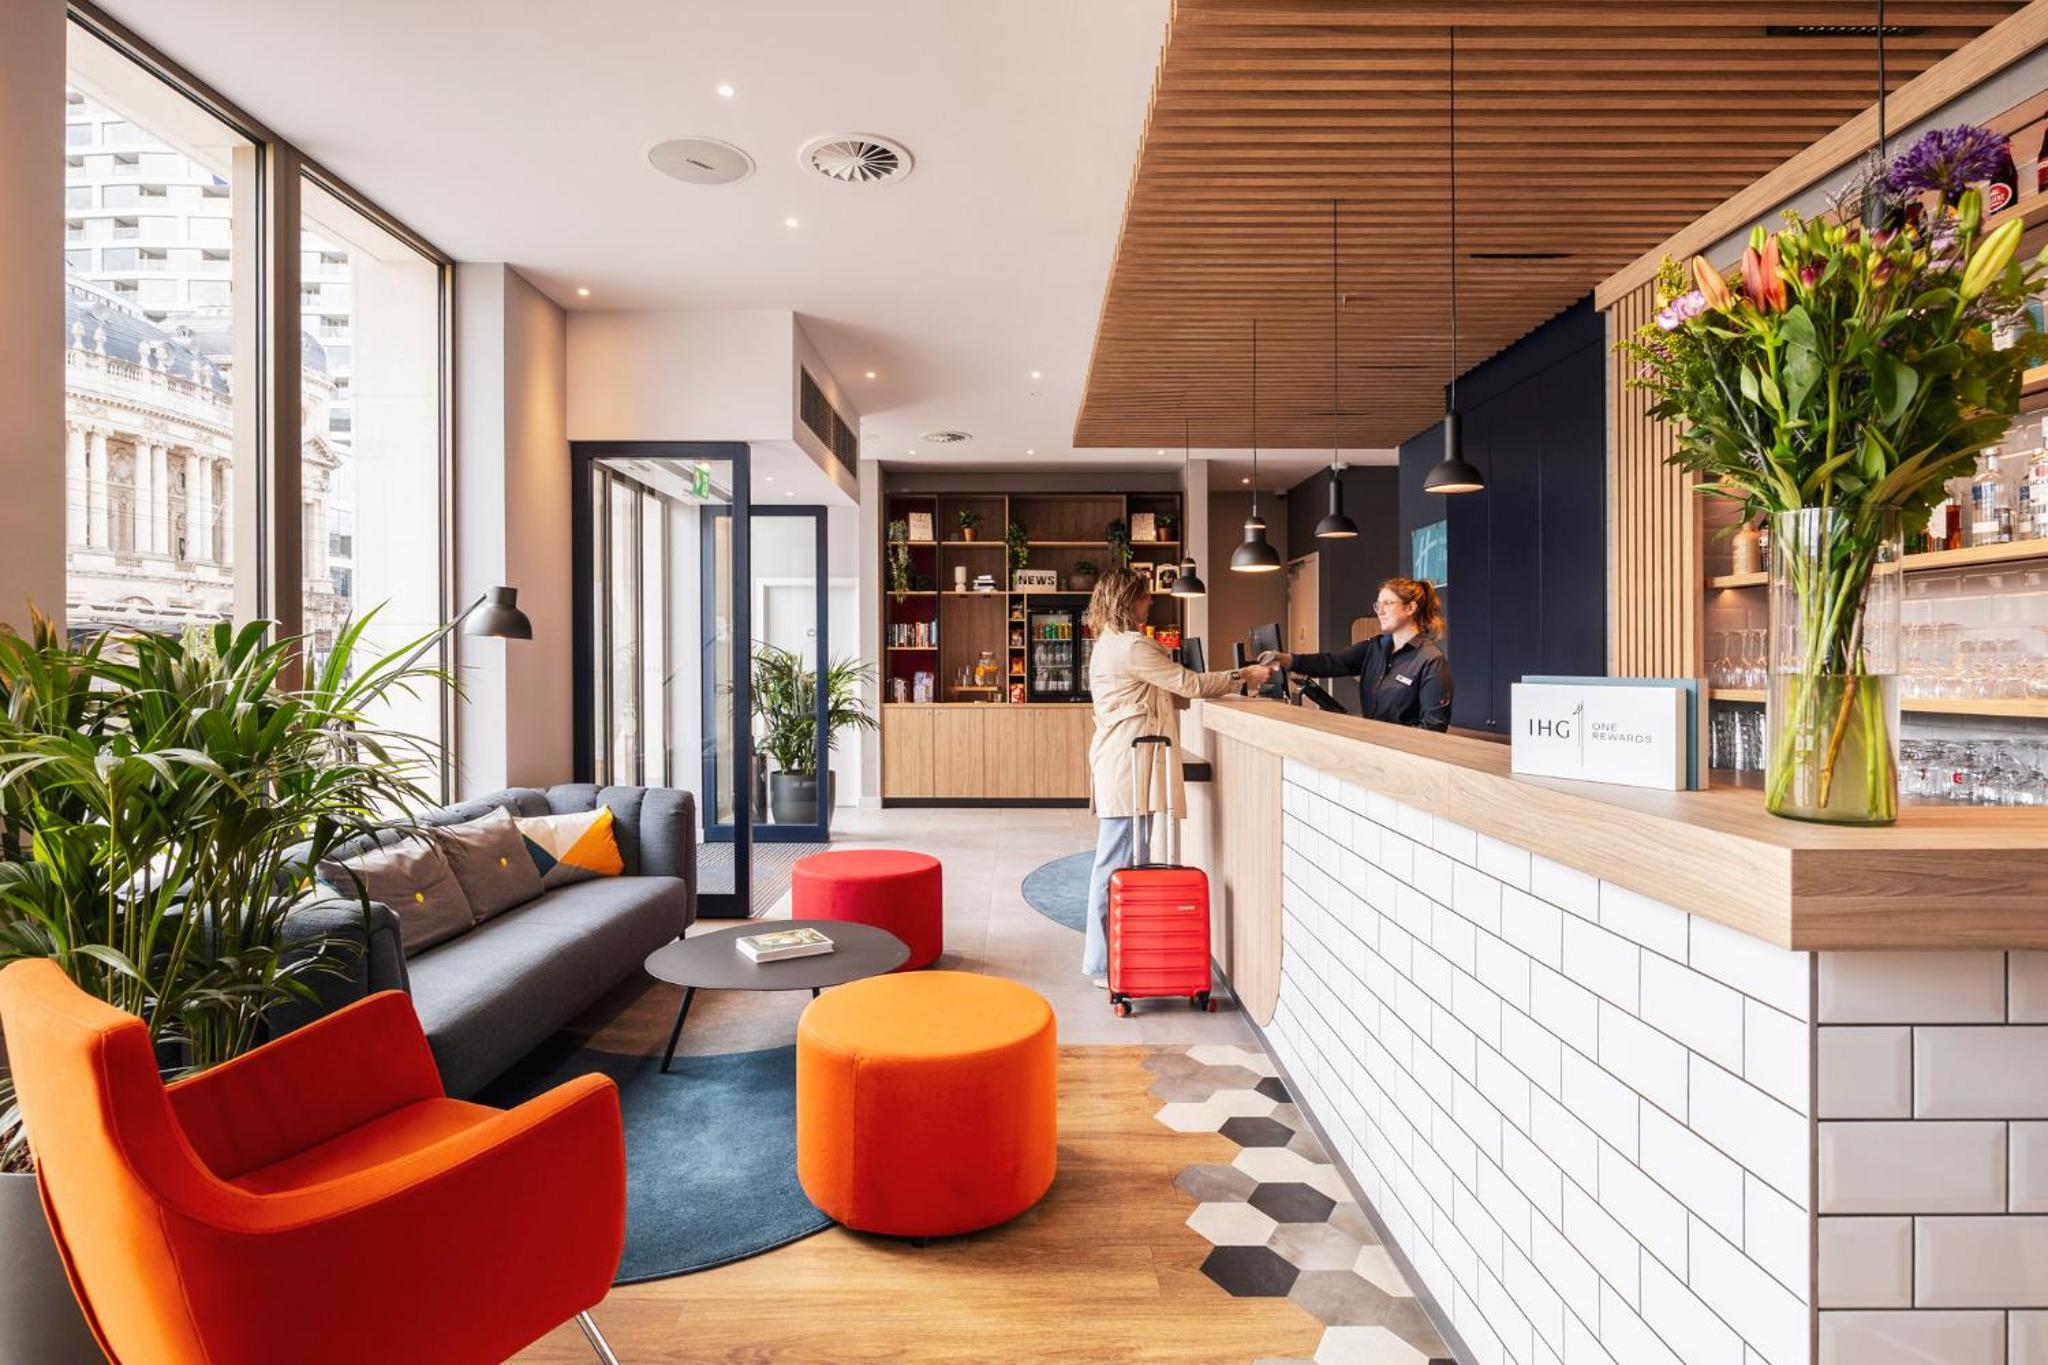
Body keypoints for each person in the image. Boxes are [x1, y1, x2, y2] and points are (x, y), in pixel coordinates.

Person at [1081, 565, 1271, 988]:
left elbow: (1164, 691)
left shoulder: (1110, 642)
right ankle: (1102, 964)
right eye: (1144, 596)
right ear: (1128, 600)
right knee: (1117, 862)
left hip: (1124, 761)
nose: (1150, 602)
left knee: (1119, 860)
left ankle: (1115, 957)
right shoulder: (1132, 647)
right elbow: (1189, 684)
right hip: (1128, 765)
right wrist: (1243, 676)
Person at [1267, 576, 1452, 731]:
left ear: (1410, 608)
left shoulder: (1430, 660)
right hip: (1372, 747)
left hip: (1402, 755)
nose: (1380, 611)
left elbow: (1433, 726)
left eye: (1388, 604)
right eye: (1378, 605)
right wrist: (1287, 659)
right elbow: (1332, 662)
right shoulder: (1375, 648)